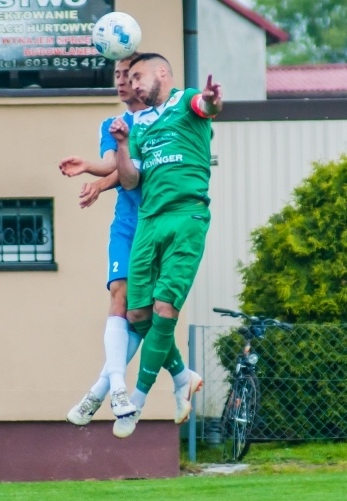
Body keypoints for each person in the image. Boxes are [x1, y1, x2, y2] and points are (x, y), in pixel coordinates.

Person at [61, 54, 198, 430]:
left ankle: (102, 389)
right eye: (117, 76)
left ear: (147, 78)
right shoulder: (114, 124)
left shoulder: (167, 117)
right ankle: (119, 386)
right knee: (120, 297)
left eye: (128, 75)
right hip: (128, 223)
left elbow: (130, 175)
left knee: (146, 315)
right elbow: (117, 166)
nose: (122, 82)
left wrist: (101, 181)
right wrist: (92, 168)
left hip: (161, 219)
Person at [109, 53, 222, 438]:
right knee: (137, 316)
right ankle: (181, 377)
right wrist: (123, 144)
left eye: (138, 76)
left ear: (162, 73)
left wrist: (211, 98)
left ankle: (136, 403)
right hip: (149, 222)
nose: (133, 83)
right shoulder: (139, 126)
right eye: (129, 78)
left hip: (185, 217)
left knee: (164, 307)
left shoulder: (187, 101)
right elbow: (128, 181)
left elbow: (206, 105)